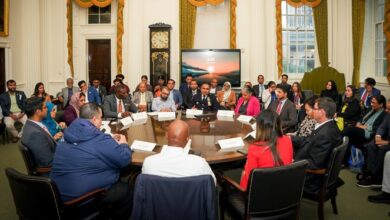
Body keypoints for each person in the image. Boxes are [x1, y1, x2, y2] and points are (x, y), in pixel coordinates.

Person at [50, 103, 133, 219]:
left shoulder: (68, 133)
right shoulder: (99, 139)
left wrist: (108, 141)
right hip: (79, 200)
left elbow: (87, 148)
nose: (101, 121)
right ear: (94, 119)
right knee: (126, 190)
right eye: (100, 118)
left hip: (57, 194)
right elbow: (124, 159)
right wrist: (124, 144)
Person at [292, 97, 342, 193]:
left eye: (314, 108)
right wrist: (288, 138)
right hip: (309, 167)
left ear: (322, 112)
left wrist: (293, 162)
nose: (313, 111)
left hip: (311, 180)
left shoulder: (325, 134)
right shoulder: (327, 125)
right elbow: (307, 140)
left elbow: (315, 165)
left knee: (275, 174)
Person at [142, 120, 216, 183]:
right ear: (188, 139)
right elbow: (212, 183)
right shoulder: (200, 164)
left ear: (166, 136)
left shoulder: (148, 163)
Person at [240, 110, 293, 190]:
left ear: (259, 127)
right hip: (283, 190)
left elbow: (249, 180)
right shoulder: (288, 140)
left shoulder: (255, 148)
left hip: (259, 196)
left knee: (243, 173)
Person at [342, 95, 386, 164]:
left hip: (369, 133)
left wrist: (364, 127)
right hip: (361, 129)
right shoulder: (370, 109)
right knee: (348, 138)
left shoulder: (384, 114)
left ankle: (335, 146)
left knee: (348, 130)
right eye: (371, 102)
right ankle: (343, 161)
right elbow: (362, 118)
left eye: (374, 103)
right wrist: (359, 123)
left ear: (381, 104)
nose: (371, 104)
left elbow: (378, 127)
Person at [21, 97, 57, 168]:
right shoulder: (35, 134)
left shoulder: (31, 124)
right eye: (45, 107)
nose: (47, 109)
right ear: (38, 112)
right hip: (51, 171)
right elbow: (48, 161)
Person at [356, 113, 390, 187]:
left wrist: (387, 142)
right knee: (371, 145)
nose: (386, 111)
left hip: (388, 142)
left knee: (383, 149)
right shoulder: (388, 115)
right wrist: (378, 136)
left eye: (388, 109)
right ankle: (370, 172)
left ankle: (375, 177)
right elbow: (382, 127)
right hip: (385, 138)